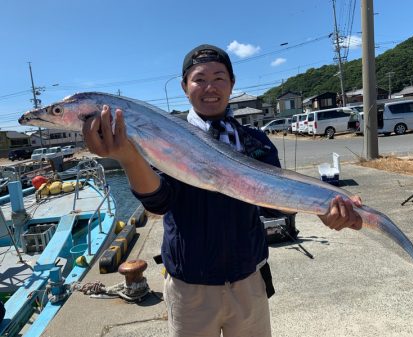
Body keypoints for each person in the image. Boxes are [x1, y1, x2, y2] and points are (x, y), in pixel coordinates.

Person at [83, 44, 362, 337]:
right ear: (184, 86)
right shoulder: (164, 139)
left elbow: (275, 205)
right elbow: (159, 202)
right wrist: (128, 158)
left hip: (248, 281)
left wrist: (324, 208)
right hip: (189, 287)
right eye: (199, 79)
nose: (210, 87)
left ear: (232, 84)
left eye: (219, 78)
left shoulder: (255, 142)